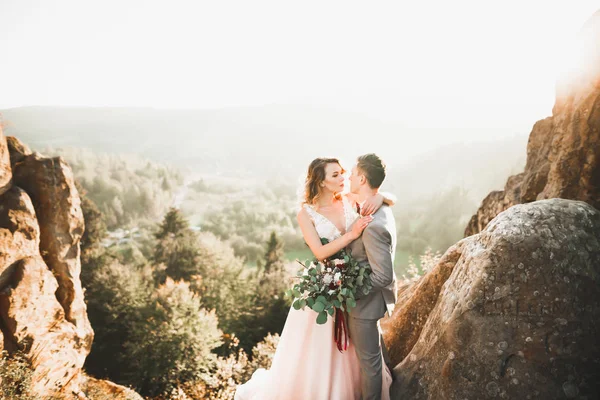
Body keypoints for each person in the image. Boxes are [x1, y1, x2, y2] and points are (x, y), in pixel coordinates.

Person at [235, 156, 394, 400]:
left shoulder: (348, 200)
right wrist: (351, 235)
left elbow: (379, 195)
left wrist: (379, 197)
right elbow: (319, 253)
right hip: (328, 286)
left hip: (353, 285)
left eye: (342, 173)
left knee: (357, 352)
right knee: (320, 354)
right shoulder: (306, 214)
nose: (342, 178)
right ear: (320, 182)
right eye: (335, 175)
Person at [347, 153, 398, 400]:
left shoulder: (374, 223)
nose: (349, 176)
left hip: (364, 305)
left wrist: (345, 291)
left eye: (354, 173)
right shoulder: (381, 206)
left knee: (370, 366)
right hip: (368, 304)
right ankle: (395, 384)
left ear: (363, 179)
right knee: (376, 356)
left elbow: (383, 276)